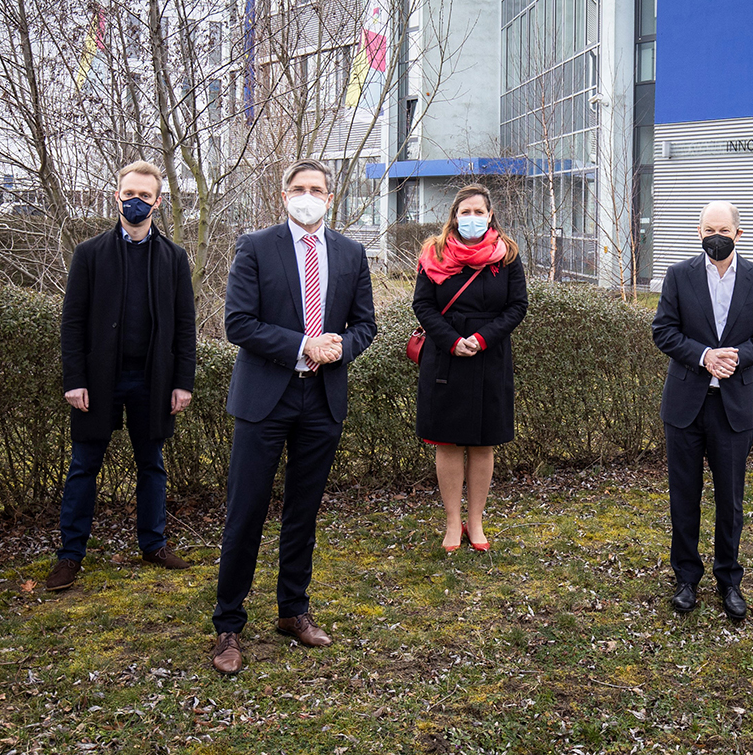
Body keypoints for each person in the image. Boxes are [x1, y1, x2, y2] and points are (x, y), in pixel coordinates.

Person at [211, 160, 377, 674]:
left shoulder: (350, 253)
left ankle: (293, 611)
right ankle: (228, 625)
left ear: (332, 196)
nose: (309, 196)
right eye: (299, 188)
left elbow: (366, 325)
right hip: (266, 398)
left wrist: (338, 348)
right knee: (246, 511)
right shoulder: (256, 246)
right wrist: (303, 344)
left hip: (321, 399)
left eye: (318, 189)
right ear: (284, 194)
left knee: (302, 512)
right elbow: (237, 322)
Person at [48, 161, 197, 591]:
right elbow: (72, 322)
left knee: (152, 465)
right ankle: (70, 555)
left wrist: (182, 381)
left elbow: (185, 325)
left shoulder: (173, 257)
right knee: (83, 466)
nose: (135, 201)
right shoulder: (90, 254)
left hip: (152, 380)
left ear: (158, 202)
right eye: (128, 193)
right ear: (117, 195)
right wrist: (74, 379)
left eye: (144, 196)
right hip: (98, 381)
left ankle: (154, 545)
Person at [651, 201, 753, 620]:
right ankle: (686, 577)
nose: (715, 237)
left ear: (738, 233)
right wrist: (704, 355)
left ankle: (729, 580)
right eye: (708, 229)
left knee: (730, 499)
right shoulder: (679, 275)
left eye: (722, 229)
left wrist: (736, 357)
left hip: (732, 407)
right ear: (699, 231)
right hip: (685, 403)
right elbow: (663, 331)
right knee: (683, 496)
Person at [412, 184, 528, 553]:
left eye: (479, 212)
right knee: (447, 441)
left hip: (489, 356)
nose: (473, 218)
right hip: (445, 356)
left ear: (490, 215)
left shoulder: (506, 254)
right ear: (454, 215)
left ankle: (475, 521)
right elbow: (423, 305)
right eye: (466, 212)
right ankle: (451, 522)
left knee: (483, 442)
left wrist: (480, 339)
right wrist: (451, 340)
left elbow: (517, 306)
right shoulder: (434, 252)